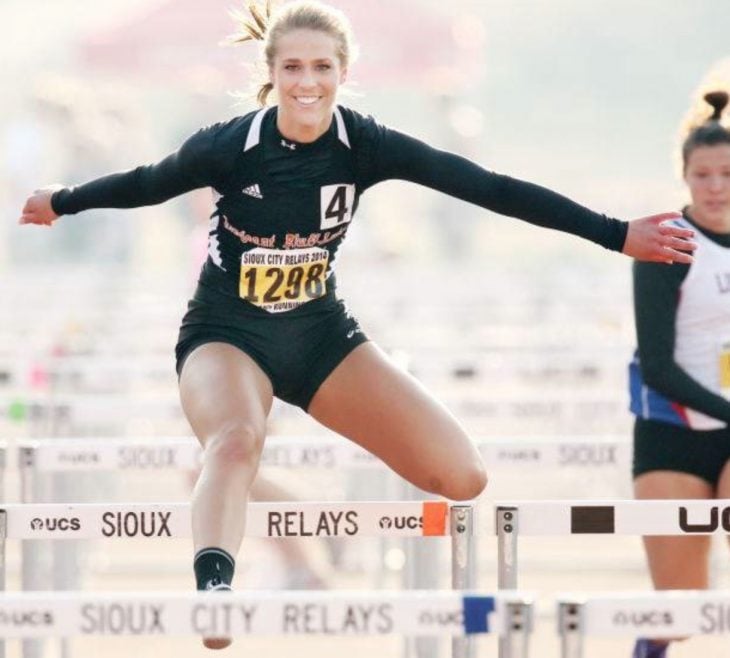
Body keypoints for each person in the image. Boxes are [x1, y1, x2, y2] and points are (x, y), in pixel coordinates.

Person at [20, 0, 696, 649]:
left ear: (344, 73)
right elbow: (145, 181)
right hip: (227, 332)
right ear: (272, 74)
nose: (307, 83)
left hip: (318, 334)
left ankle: (302, 537)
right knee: (233, 440)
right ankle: (215, 587)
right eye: (292, 68)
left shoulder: (365, 144)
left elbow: (489, 186)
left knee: (462, 477)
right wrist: (63, 201)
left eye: (322, 68)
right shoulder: (229, 146)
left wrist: (615, 233)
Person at [629, 89, 730, 658]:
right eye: (703, 174)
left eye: (727, 173)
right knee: (677, 610)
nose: (716, 186)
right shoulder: (668, 242)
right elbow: (659, 367)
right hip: (674, 433)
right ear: (685, 177)